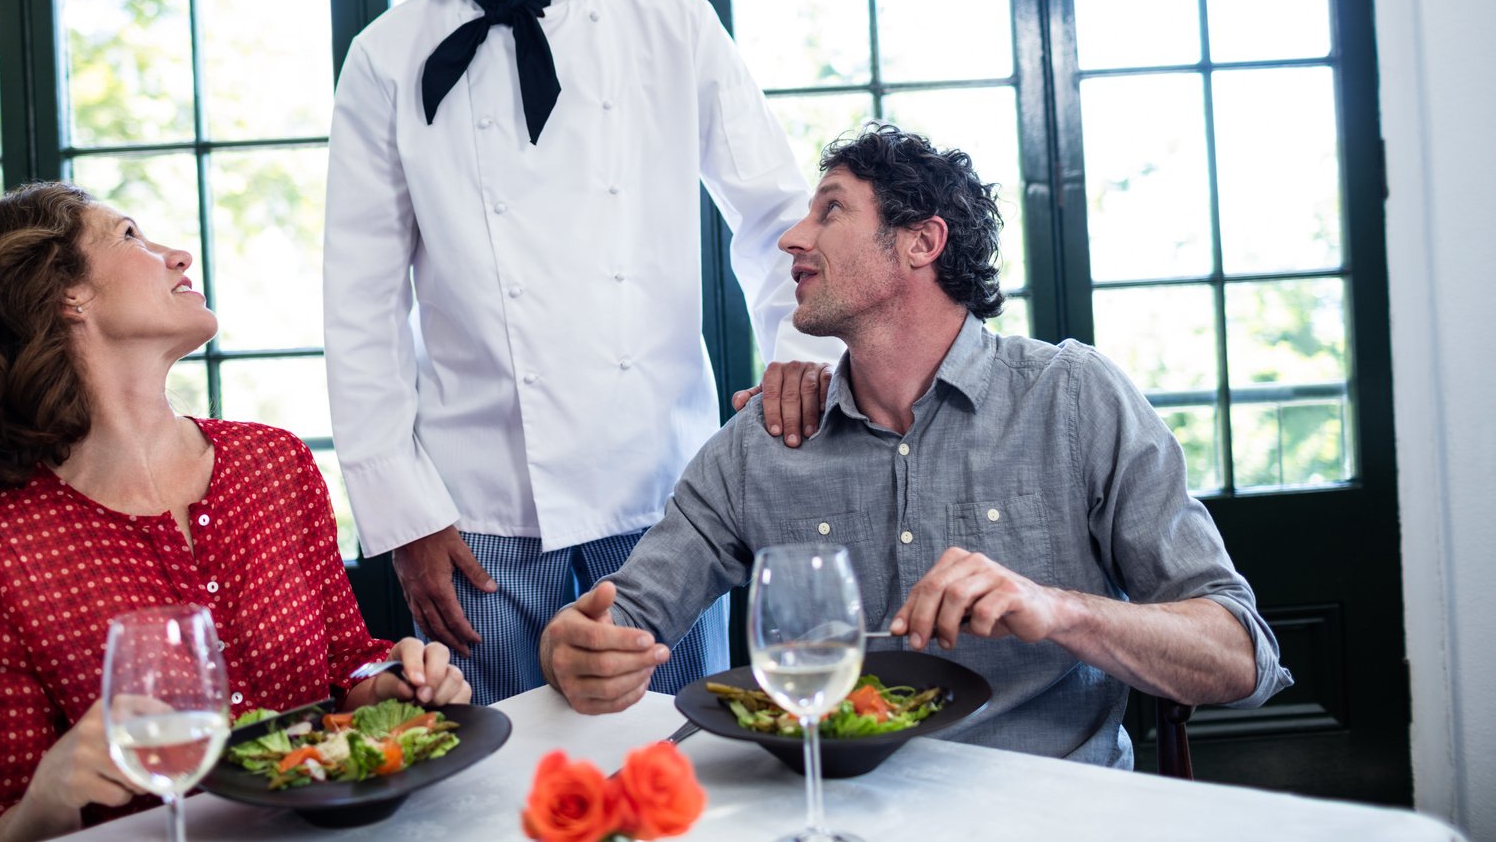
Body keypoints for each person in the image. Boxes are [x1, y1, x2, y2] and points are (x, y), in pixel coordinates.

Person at [323, 0, 835, 705]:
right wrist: (399, 512)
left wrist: (802, 354)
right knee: (490, 788)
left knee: (673, 779)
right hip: (471, 516)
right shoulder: (386, 58)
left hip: (662, 497)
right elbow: (360, 302)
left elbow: (778, 214)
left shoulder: (670, 24)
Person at [539, 126, 1292, 766]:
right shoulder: (761, 442)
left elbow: (1240, 657)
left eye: (830, 209)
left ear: (921, 241)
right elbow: (619, 621)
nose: (792, 237)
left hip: (1051, 817)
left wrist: (1059, 609)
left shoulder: (1072, 397)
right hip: (834, 815)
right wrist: (574, 652)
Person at [0, 182, 470, 842]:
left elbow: (346, 661)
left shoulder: (276, 462)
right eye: (130, 236)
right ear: (66, 294)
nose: (178, 254)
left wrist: (393, 687)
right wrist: (49, 791)